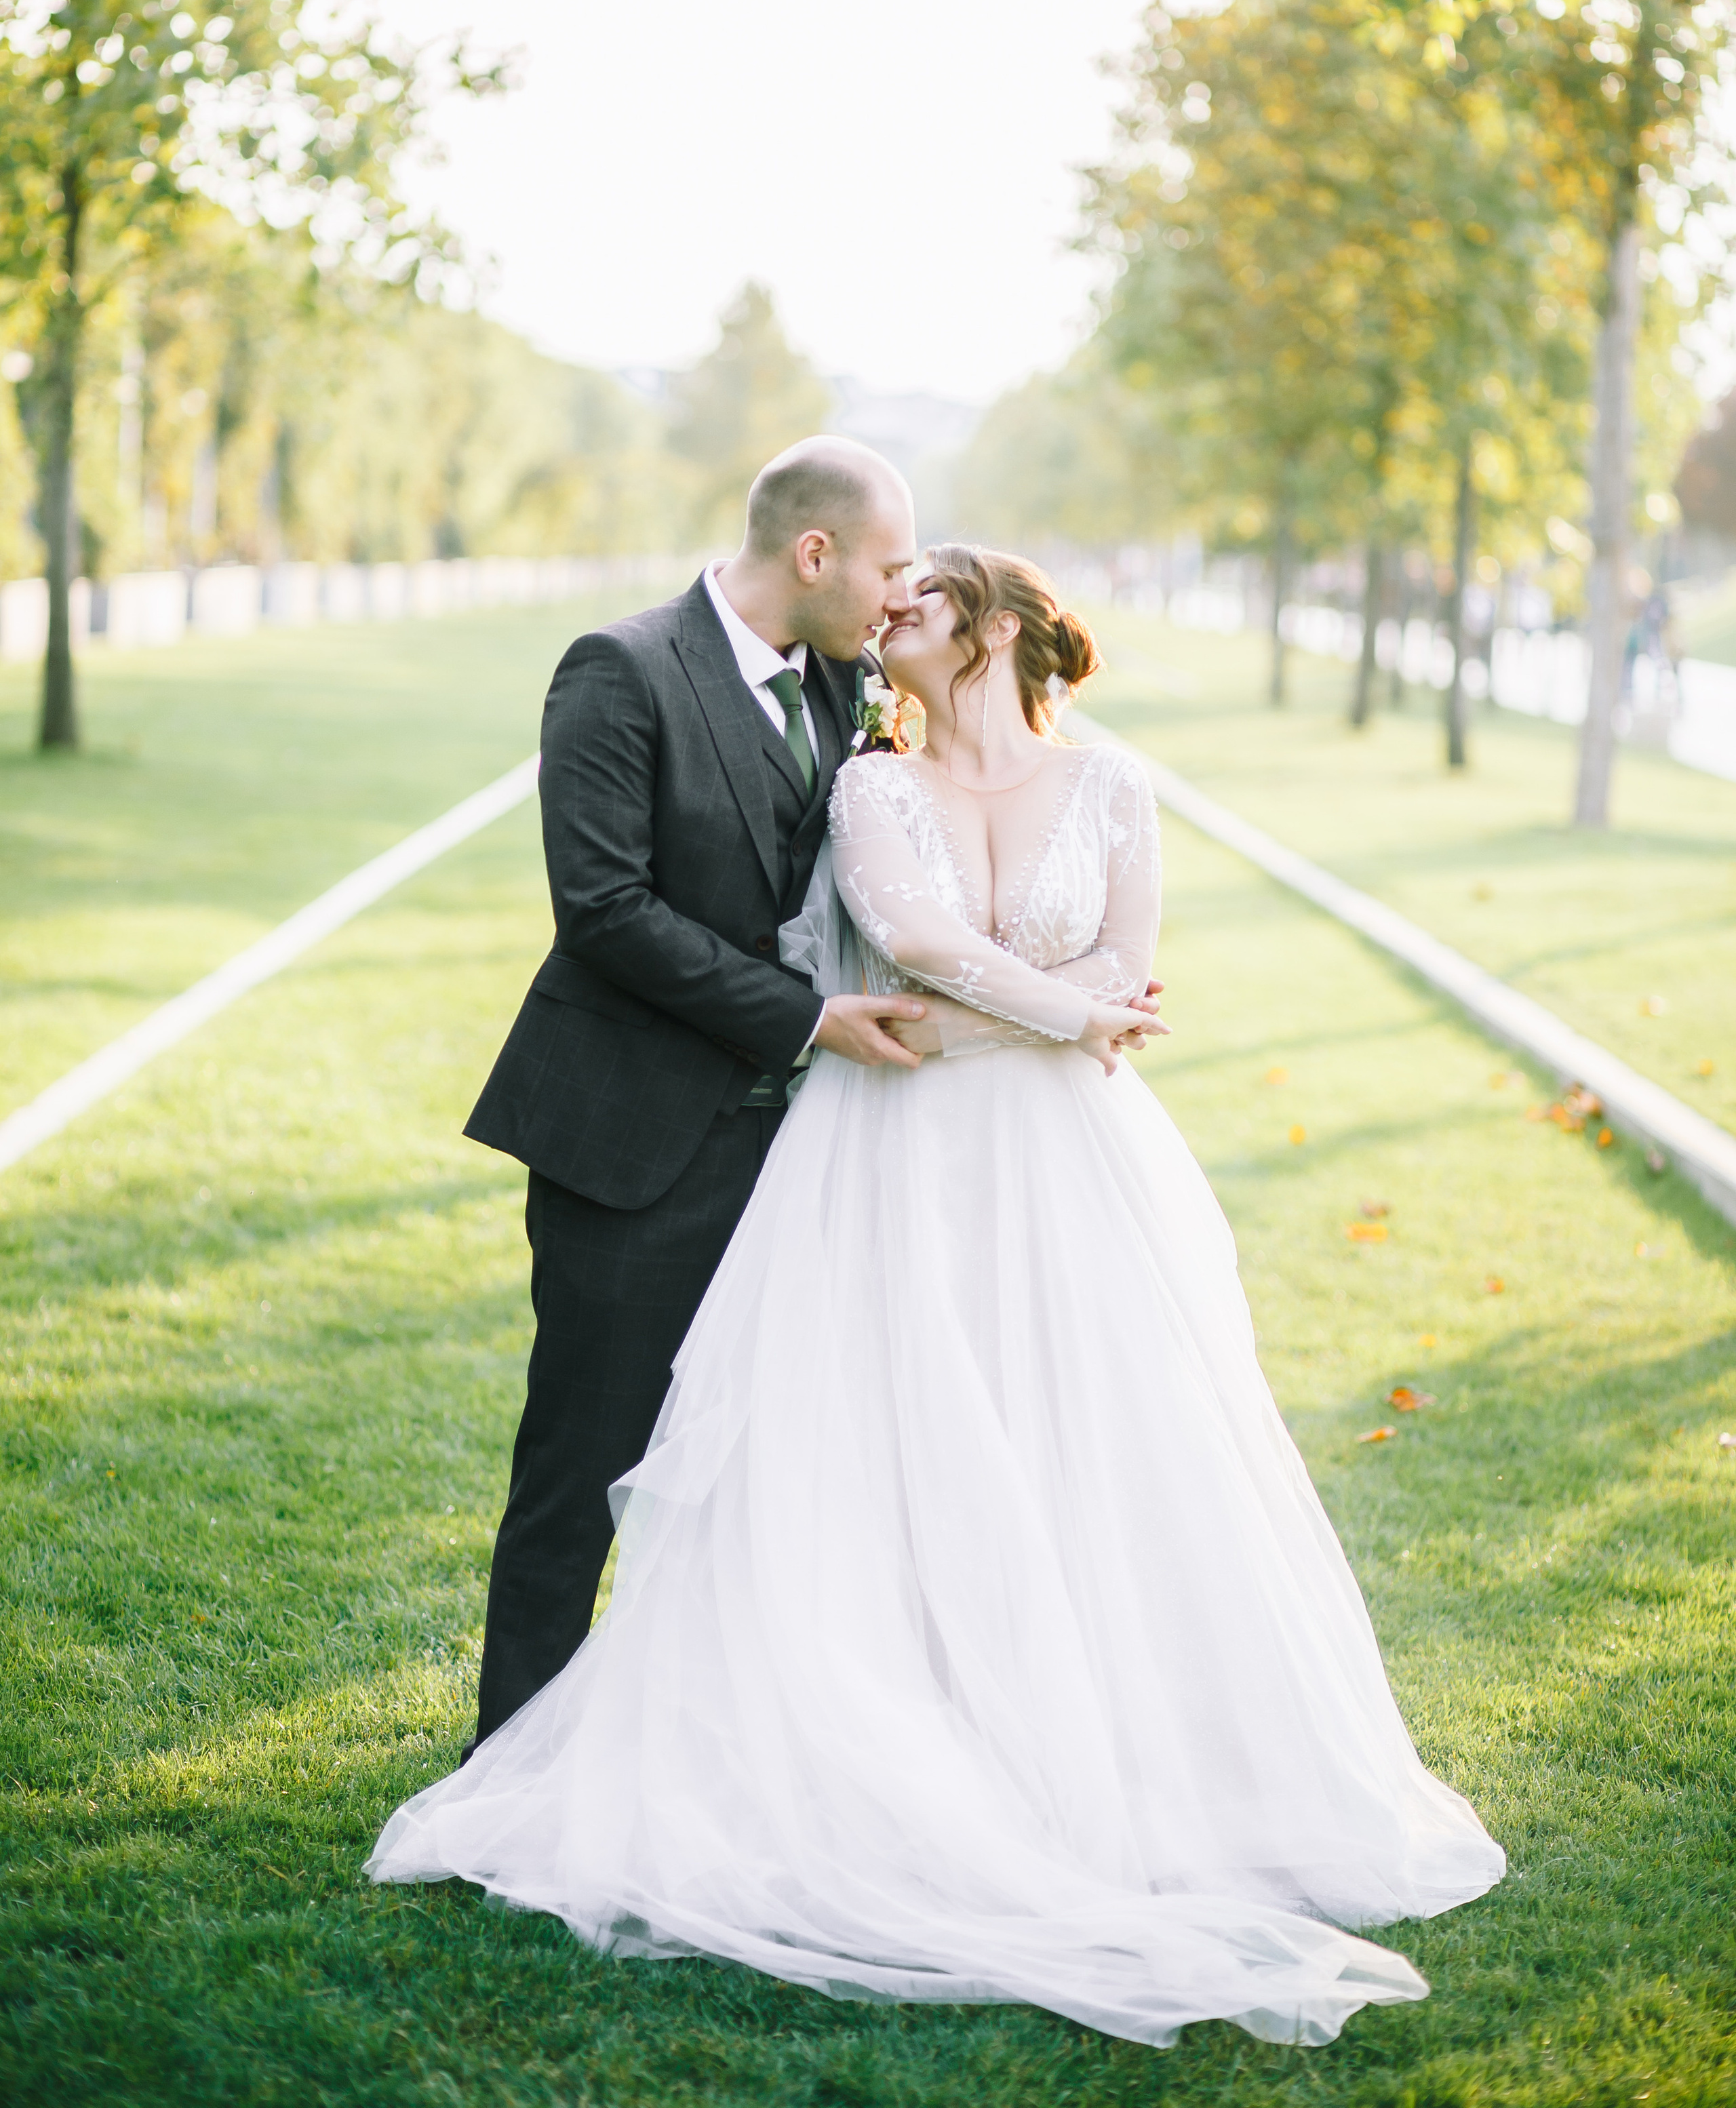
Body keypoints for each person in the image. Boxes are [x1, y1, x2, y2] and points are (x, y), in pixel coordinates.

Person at [373, 543, 1505, 2050]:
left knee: (1096, 1446)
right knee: (878, 1446)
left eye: (920, 598)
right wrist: (1074, 1012)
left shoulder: (1110, 788)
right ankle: (819, 1739)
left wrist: (1081, 1000)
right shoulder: (868, 780)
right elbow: (914, 940)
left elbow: (1128, 951)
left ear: (991, 627)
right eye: (881, 589)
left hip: (1070, 1163)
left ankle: (1090, 1758)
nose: (887, 613)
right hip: (890, 1151)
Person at [458, 436, 939, 1749]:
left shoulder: (846, 676)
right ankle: (509, 1755)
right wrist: (805, 1022)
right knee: (583, 1465)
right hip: (632, 1143)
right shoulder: (619, 672)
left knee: (763, 1468)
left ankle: (703, 1748)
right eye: (889, 565)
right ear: (812, 552)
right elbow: (604, 909)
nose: (899, 595)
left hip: (797, 1158)